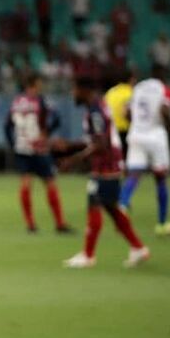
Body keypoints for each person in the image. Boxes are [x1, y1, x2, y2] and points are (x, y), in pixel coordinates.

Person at [59, 77, 149, 269]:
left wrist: (73, 160)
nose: (72, 94)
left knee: (95, 202)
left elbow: (101, 144)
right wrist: (70, 145)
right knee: (111, 209)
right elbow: (97, 140)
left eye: (74, 89)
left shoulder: (95, 111)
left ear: (84, 90)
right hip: (109, 164)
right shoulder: (96, 108)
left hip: (106, 166)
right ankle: (138, 247)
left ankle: (88, 255)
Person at [4, 73, 71, 234]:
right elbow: (56, 118)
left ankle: (30, 224)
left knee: (26, 184)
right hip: (39, 148)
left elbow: (7, 126)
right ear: (32, 85)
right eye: (38, 85)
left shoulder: (17, 102)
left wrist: (13, 144)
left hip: (21, 148)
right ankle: (59, 223)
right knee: (49, 182)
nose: (40, 88)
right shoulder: (40, 101)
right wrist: (46, 132)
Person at [119, 68, 170, 235]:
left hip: (136, 134)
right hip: (155, 136)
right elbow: (164, 109)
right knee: (161, 178)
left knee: (133, 175)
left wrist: (136, 124)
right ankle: (162, 223)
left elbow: (126, 112)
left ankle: (121, 208)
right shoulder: (164, 89)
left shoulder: (138, 88)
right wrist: (168, 126)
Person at [103, 69, 135, 156]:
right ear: (131, 79)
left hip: (112, 131)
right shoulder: (131, 92)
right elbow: (126, 113)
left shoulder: (110, 92)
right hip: (126, 130)